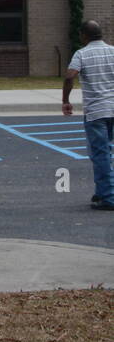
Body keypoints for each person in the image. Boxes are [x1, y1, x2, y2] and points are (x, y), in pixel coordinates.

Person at [62, 20, 114, 210]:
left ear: (84, 35)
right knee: (103, 152)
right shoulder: (112, 51)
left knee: (100, 154)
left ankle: (108, 197)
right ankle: (102, 191)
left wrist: (65, 101)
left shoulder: (81, 54)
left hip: (96, 111)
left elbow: (69, 76)